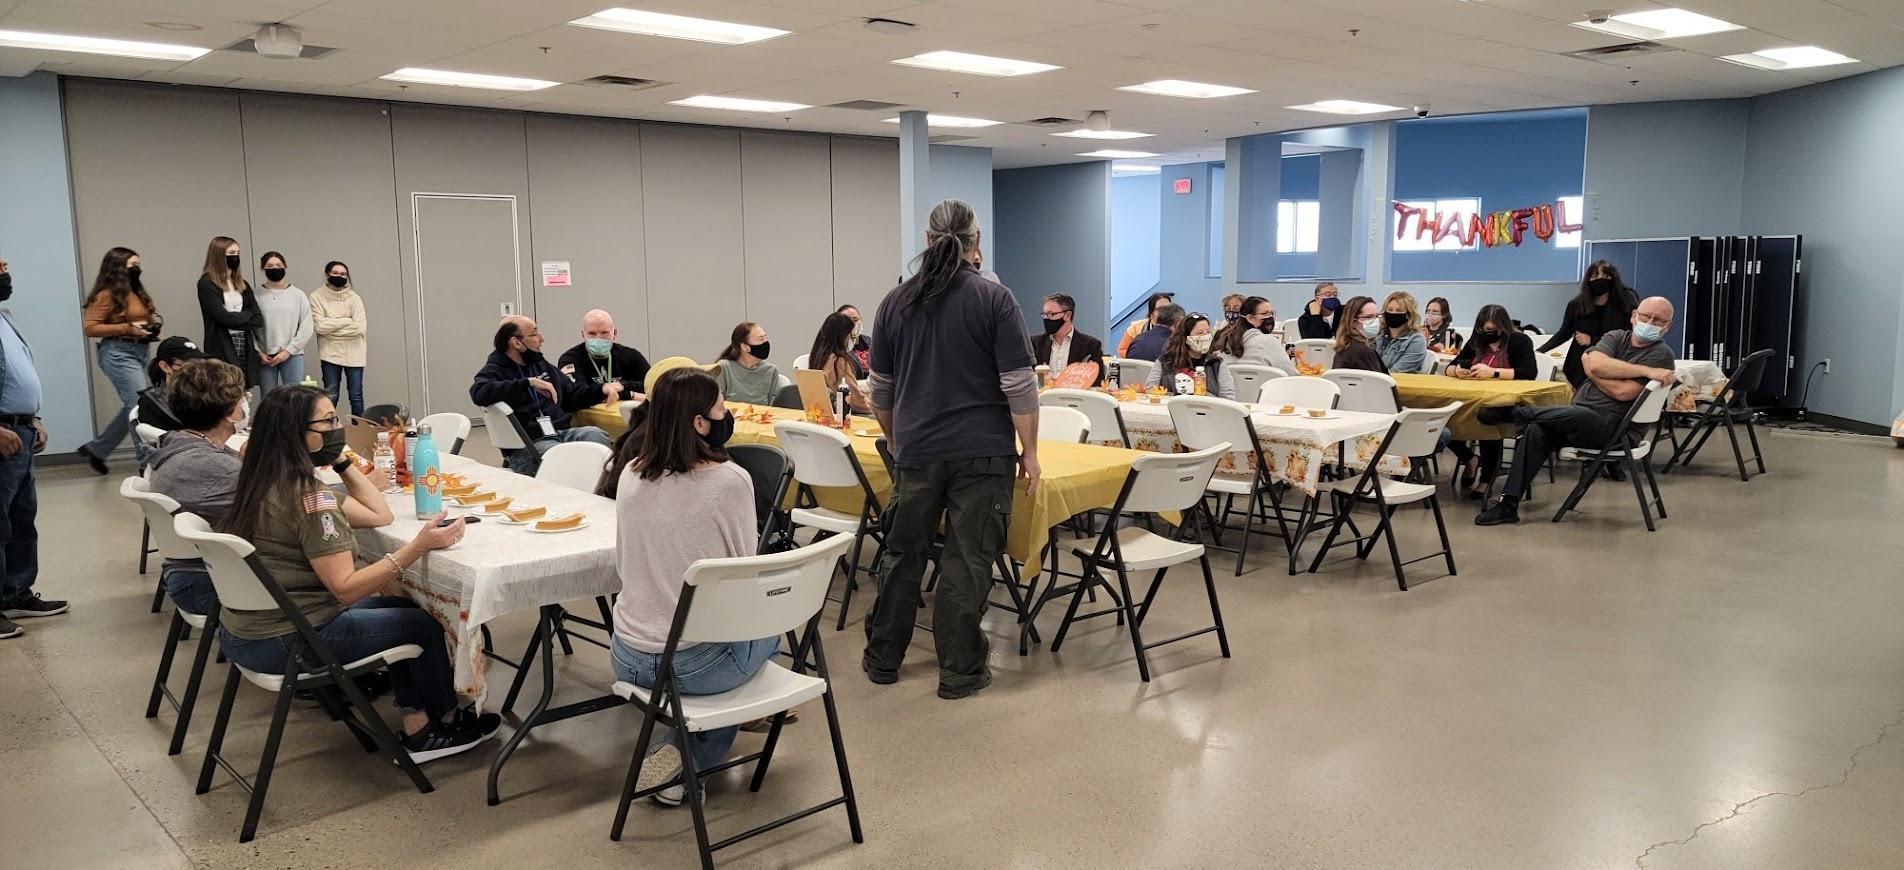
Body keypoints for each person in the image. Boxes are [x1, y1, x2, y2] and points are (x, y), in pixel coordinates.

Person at [214, 386, 498, 761]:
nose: (338, 428)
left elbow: (380, 514)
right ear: (296, 433)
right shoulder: (311, 500)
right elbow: (346, 589)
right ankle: (431, 729)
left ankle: (418, 717)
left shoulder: (261, 480)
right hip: (288, 640)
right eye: (329, 422)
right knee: (422, 625)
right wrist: (418, 547)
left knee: (403, 606)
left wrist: (341, 461)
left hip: (246, 631)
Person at [866, 199, 1038, 701]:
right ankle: (960, 671)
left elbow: (880, 390)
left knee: (902, 554)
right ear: (975, 242)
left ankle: (883, 659)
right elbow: (1019, 385)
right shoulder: (995, 299)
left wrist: (896, 438)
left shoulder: (894, 302)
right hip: (983, 453)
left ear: (926, 240)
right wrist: (1029, 450)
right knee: (967, 559)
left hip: (917, 451)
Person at [608, 367, 765, 807]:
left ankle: (677, 763)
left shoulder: (632, 473)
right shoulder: (730, 481)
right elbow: (746, 575)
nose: (726, 415)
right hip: (694, 663)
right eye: (721, 408)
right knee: (773, 631)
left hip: (627, 654)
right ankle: (684, 757)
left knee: (727, 644)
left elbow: (623, 563)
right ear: (700, 422)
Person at [1476, 297, 1679, 526]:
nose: (1649, 323)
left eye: (1658, 320)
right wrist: (1643, 371)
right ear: (1634, 316)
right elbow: (1596, 365)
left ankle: (1516, 414)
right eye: (1645, 316)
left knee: (1579, 415)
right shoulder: (1615, 337)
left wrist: (1595, 372)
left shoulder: (1661, 355)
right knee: (1536, 431)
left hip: (1617, 430)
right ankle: (1508, 505)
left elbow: (1622, 392)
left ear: (1667, 326)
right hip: (1580, 419)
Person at [144, 359, 248, 617]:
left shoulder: (176, 443)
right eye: (242, 398)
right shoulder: (209, 464)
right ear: (229, 412)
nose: (246, 404)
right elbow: (285, 505)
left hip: (193, 571)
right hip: (212, 582)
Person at [0, 255, 63, 639]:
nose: (5, 274)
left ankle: (15, 594)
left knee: (22, 519)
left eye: (5, 269)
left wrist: (32, 418)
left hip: (20, 429)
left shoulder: (4, 317)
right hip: (2, 431)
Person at [470, 316, 614, 474]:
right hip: (528, 445)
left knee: (596, 436)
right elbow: (479, 392)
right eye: (534, 334)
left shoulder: (540, 364)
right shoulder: (495, 369)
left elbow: (572, 394)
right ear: (516, 342)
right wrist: (528, 383)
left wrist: (601, 390)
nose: (541, 338)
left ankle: (599, 485)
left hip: (559, 433)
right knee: (564, 457)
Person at [77, 246, 159, 474]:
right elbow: (90, 327)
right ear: (118, 268)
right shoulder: (106, 294)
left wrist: (149, 329)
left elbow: (141, 319)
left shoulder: (135, 291)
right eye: (133, 266)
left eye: (138, 265)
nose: (138, 269)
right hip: (118, 353)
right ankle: (146, 464)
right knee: (140, 406)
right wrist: (128, 328)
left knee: (137, 404)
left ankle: (97, 449)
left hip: (140, 350)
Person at [1443, 304, 1537, 500]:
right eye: (1484, 330)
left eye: (1492, 330)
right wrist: (1457, 371)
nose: (1487, 334)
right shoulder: (1477, 342)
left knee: (1485, 417)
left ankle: (1487, 478)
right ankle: (1469, 458)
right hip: (1475, 399)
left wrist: (1493, 372)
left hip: (1508, 404)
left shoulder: (1519, 341)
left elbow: (1529, 372)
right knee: (1442, 415)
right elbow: (1450, 366)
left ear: (1503, 327)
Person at [1540, 261, 1640, 388]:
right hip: (1580, 366)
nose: (1600, 280)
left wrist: (1592, 340)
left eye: (1606, 276)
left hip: (1614, 363)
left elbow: (1629, 336)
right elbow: (1564, 333)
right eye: (1595, 276)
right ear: (1588, 279)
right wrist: (1540, 351)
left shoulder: (1625, 301)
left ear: (1613, 278)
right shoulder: (1577, 305)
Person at [195, 235, 266, 390]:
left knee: (244, 386)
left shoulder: (242, 284)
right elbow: (223, 317)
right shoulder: (206, 284)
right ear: (219, 255)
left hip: (244, 342)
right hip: (221, 343)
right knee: (224, 387)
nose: (236, 257)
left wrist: (235, 318)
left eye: (238, 253)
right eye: (231, 253)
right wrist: (247, 314)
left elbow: (258, 319)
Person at [556, 309, 651, 403]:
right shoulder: (570, 359)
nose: (598, 339)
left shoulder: (631, 356)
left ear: (614, 333)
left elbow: (651, 385)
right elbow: (576, 395)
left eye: (604, 333)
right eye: (592, 334)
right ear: (583, 334)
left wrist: (622, 385)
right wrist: (628, 394)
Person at [311, 260, 367, 417]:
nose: (339, 276)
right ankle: (328, 427)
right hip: (330, 353)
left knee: (356, 397)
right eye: (335, 273)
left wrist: (331, 327)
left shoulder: (354, 298)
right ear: (326, 274)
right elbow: (319, 327)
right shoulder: (316, 297)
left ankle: (359, 429)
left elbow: (360, 328)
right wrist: (346, 321)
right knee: (331, 396)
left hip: (355, 353)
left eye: (343, 274)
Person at [254, 251, 313, 394]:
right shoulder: (255, 294)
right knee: (268, 396)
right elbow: (249, 327)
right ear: (263, 269)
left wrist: (288, 351)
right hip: (265, 357)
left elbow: (307, 327)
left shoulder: (298, 295)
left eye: (278, 265)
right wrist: (257, 351)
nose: (275, 268)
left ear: (285, 266)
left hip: (292, 354)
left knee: (293, 397)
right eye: (270, 266)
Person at [1142, 313, 1233, 399]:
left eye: (1208, 332)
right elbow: (1150, 390)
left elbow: (1228, 398)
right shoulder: (1165, 362)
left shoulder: (1216, 364)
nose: (1205, 337)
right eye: (1200, 333)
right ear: (1186, 338)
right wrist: (1176, 397)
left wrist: (1205, 396)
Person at [1210, 295, 1295, 380]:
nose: (1270, 317)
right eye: (1265, 314)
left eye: (1271, 313)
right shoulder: (1269, 342)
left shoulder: (1225, 340)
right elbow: (1291, 376)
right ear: (1250, 318)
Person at [135, 337, 208, 434]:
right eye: (189, 365)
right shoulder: (153, 403)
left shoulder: (206, 394)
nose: (197, 370)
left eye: (199, 364)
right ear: (165, 367)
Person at [1032, 293, 1106, 385]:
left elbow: (1098, 382)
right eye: (1044, 314)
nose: (1046, 319)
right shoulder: (1035, 344)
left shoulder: (1090, 346)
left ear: (1067, 315)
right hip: (1043, 393)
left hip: (1074, 393)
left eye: (1050, 314)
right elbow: (1026, 377)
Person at [808, 312, 872, 414]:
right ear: (842, 336)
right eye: (851, 336)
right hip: (850, 413)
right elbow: (856, 401)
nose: (853, 340)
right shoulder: (839, 362)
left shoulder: (817, 357)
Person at [714, 322, 782, 405]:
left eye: (766, 338)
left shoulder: (771, 370)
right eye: (760, 339)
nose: (765, 342)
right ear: (745, 347)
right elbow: (717, 405)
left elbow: (775, 406)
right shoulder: (723, 368)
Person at [1375, 291, 1430, 374]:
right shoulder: (1378, 335)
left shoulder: (1416, 341)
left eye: (1399, 310)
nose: (1393, 313)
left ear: (1409, 315)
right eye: (1390, 310)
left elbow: (1395, 373)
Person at [1331, 295, 1387, 373]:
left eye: (1377, 316)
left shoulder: (1345, 346)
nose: (1375, 320)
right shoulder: (1364, 353)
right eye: (1369, 317)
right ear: (1354, 322)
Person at [1115, 291, 1175, 357]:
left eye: (1169, 309)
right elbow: (1122, 350)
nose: (1166, 312)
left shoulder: (1178, 327)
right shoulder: (1135, 328)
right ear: (1151, 314)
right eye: (1160, 309)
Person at [837, 304, 870, 378]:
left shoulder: (872, 343)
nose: (852, 324)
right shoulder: (836, 350)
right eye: (847, 321)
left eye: (855, 320)